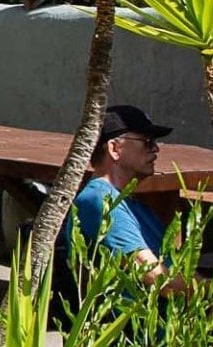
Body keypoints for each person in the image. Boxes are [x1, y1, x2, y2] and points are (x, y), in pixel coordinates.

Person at [69, 103, 171, 273]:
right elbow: (156, 276)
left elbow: (177, 270)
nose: (156, 148)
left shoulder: (134, 206)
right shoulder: (99, 201)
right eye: (147, 141)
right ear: (115, 148)